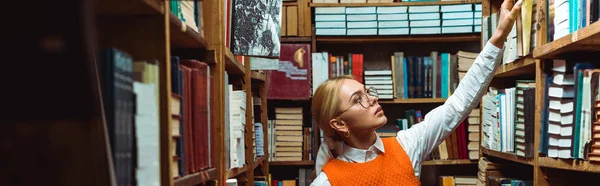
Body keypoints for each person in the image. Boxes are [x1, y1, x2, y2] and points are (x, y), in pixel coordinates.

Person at [309, 0, 523, 185]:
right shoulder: (327, 181)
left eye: (368, 92)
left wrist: (498, 36)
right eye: (358, 99)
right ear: (339, 124)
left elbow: (457, 105)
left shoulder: (407, 145)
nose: (373, 98)